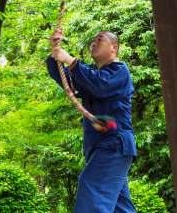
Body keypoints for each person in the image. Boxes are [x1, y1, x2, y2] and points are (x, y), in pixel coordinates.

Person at [47, 29, 137, 213]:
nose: (93, 43)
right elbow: (64, 78)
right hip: (102, 149)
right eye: (92, 41)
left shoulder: (120, 71)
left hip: (113, 146)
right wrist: (54, 51)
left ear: (114, 48)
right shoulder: (91, 78)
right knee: (120, 207)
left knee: (91, 190)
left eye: (99, 39)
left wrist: (71, 61)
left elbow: (100, 86)